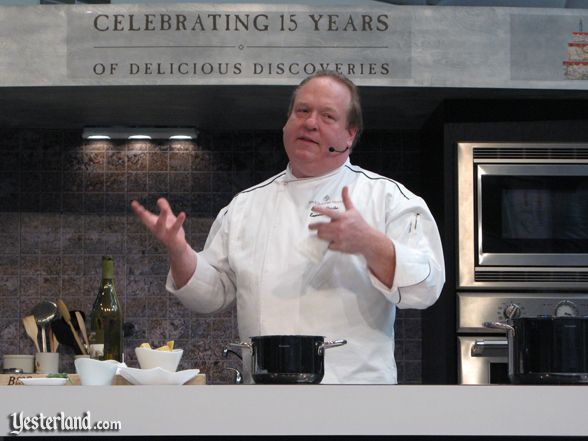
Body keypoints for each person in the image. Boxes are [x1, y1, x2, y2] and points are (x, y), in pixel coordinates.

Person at [131, 70, 445, 384]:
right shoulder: (245, 205)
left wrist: (369, 242)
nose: (310, 122)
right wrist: (179, 250)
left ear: (350, 134)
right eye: (302, 111)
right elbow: (210, 296)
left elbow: (425, 290)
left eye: (327, 116)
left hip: (355, 403)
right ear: (287, 122)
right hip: (265, 403)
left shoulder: (388, 198)